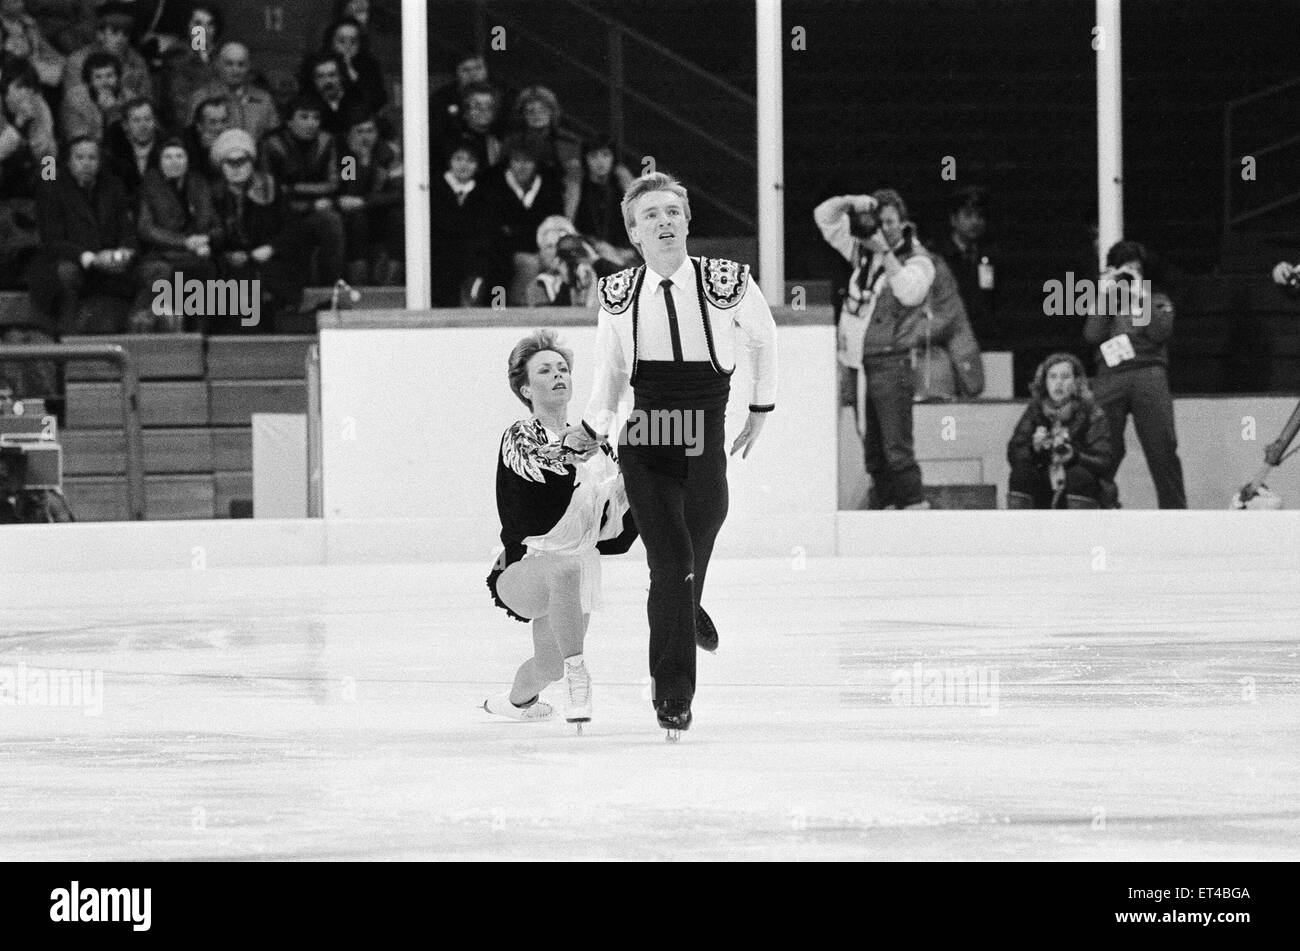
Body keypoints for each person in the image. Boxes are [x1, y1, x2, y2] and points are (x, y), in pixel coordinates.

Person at [564, 172, 778, 738]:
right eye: (650, 215)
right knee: (672, 563)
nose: (663, 222)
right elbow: (608, 372)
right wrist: (592, 427)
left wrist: (761, 409)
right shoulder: (618, 293)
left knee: (699, 539)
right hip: (647, 440)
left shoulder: (727, 282)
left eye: (672, 212)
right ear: (634, 234)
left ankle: (688, 609)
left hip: (704, 437)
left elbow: (764, 339)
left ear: (687, 221)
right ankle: (674, 696)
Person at [485, 328, 638, 727]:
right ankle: (580, 679)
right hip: (524, 567)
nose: (558, 376)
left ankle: (511, 702)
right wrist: (588, 436)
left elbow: (617, 507)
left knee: (547, 665)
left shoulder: (601, 448)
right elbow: (545, 463)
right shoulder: (520, 434)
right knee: (564, 569)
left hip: (580, 563)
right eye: (545, 371)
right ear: (525, 389)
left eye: (563, 369)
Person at [815, 188, 934, 509]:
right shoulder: (862, 252)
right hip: (859, 364)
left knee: (897, 448)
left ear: (904, 223)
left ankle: (913, 507)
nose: (886, 228)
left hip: (892, 363)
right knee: (873, 450)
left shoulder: (918, 257)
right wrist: (850, 202)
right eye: (880, 222)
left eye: (892, 222)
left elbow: (910, 292)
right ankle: (884, 510)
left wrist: (887, 254)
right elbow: (824, 218)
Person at [1083, 239, 1186, 508]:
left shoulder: (1158, 299)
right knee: (1103, 448)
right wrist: (1108, 293)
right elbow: (1092, 334)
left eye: (1134, 270)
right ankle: (1089, 506)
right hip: (1110, 376)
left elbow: (1158, 333)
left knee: (1162, 449)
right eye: (1123, 270)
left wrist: (1140, 293)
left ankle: (1176, 516)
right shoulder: (1107, 300)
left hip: (1148, 375)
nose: (1128, 276)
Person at [32, 134, 138, 334]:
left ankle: (140, 332)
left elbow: (128, 231)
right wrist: (91, 259)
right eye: (80, 158)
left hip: (110, 262)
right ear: (69, 162)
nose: (86, 163)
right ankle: (66, 341)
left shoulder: (113, 186)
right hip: (72, 261)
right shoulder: (51, 187)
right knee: (67, 272)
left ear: (99, 161)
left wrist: (122, 254)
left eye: (92, 158)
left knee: (155, 271)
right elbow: (52, 240)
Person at [135, 135, 220, 332]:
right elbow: (146, 229)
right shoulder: (149, 185)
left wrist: (205, 239)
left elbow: (217, 227)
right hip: (160, 254)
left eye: (179, 156)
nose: (174, 162)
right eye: (168, 157)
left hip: (198, 253)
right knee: (165, 273)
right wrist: (185, 242)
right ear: (159, 161)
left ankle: (200, 335)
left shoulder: (199, 184)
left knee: (207, 269)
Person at [1007, 353, 1112, 508]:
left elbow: (1104, 461)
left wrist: (1075, 457)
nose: (1059, 383)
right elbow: (1014, 452)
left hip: (1081, 484)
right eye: (1053, 377)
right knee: (1021, 474)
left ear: (1077, 382)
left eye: (1065, 377)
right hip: (1044, 478)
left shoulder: (1092, 412)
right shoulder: (1035, 410)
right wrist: (1034, 450)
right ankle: (1021, 529)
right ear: (1044, 382)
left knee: (1079, 475)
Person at [429, 137, 501, 306]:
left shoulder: (485, 193)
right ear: (450, 161)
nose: (464, 165)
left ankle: (485, 310)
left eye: (470, 160)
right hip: (441, 255)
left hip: (473, 257)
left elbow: (486, 229)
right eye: (459, 159)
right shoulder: (433, 188)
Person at [933, 185, 1001, 345]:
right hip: (948, 340)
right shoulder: (937, 256)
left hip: (983, 338)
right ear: (953, 219)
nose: (975, 222)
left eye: (979, 216)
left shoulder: (991, 255)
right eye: (968, 215)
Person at [188, 41, 278, 143]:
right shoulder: (201, 97)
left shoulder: (263, 99)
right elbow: (190, 137)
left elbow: (275, 139)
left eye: (241, 64)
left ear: (249, 66)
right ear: (218, 65)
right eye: (229, 64)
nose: (235, 70)